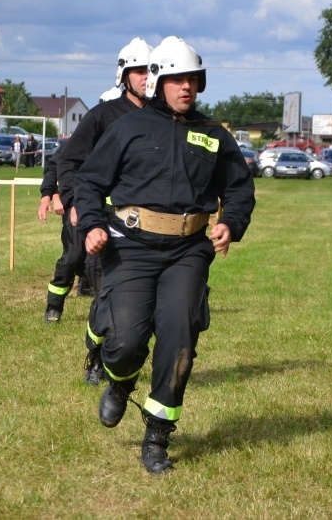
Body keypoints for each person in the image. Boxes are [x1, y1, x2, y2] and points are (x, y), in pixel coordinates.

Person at [74, 36, 256, 474]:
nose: (186, 87)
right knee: (126, 344)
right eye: (176, 79)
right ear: (158, 82)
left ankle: (156, 438)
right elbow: (90, 182)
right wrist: (94, 225)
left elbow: (239, 188)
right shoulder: (128, 127)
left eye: (192, 79)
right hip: (130, 248)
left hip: (188, 253)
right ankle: (119, 383)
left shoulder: (214, 135)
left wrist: (231, 222)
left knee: (179, 342)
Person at [47, 37, 152, 387]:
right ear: (123, 74)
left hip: (152, 230)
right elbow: (69, 160)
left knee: (145, 306)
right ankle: (97, 358)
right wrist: (75, 202)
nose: (144, 77)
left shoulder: (163, 117)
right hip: (108, 223)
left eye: (149, 70)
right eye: (137, 70)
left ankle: (121, 357)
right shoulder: (102, 115)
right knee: (108, 297)